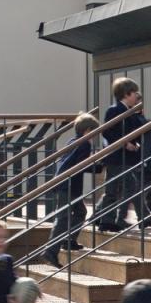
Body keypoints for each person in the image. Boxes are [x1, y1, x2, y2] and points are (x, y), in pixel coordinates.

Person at [97, 77, 151, 232]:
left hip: (128, 158)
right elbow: (107, 131)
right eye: (134, 93)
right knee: (114, 190)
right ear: (126, 94)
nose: (136, 96)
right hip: (117, 158)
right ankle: (106, 221)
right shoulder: (114, 110)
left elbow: (138, 130)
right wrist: (125, 143)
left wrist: (136, 143)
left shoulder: (130, 112)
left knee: (126, 188)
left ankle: (109, 220)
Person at [43, 112, 101, 268]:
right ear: (88, 131)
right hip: (67, 185)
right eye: (94, 132)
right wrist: (99, 166)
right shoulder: (84, 144)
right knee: (63, 217)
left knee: (80, 212)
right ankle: (50, 251)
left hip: (66, 184)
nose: (95, 136)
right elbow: (82, 164)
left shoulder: (72, 141)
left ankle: (70, 240)